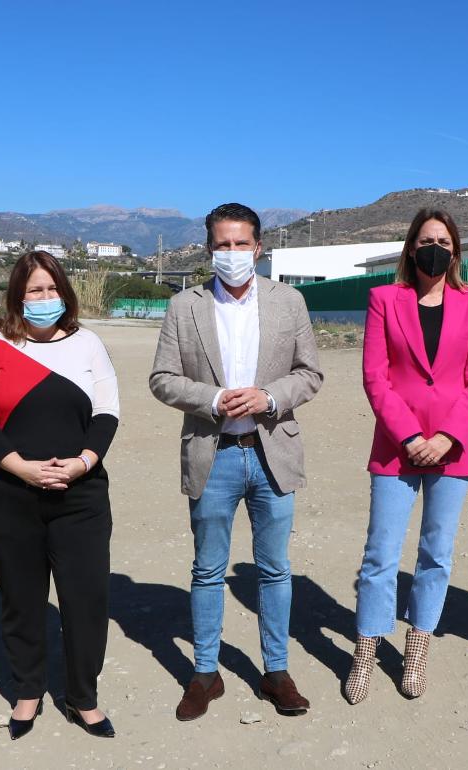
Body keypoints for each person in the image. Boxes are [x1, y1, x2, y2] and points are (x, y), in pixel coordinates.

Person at [149, 202, 323, 721]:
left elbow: (309, 373)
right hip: (214, 454)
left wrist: (268, 397)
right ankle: (206, 673)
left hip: (272, 452)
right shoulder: (185, 306)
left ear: (258, 248)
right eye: (222, 245)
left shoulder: (289, 301)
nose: (232, 253)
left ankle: (276, 672)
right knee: (207, 569)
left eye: (240, 243)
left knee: (274, 569)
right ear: (209, 250)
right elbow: (162, 378)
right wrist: (212, 398)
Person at [0, 251, 120, 740]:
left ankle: (83, 698)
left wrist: (83, 462)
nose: (45, 298)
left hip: (81, 495)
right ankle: (28, 691)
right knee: (21, 599)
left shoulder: (88, 343)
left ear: (64, 293)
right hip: (7, 494)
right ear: (17, 296)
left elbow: (107, 412)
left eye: (52, 289)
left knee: (86, 600)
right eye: (35, 290)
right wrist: (21, 469)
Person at [343, 209, 468, 705]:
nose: (436, 249)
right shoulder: (384, 299)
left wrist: (448, 435)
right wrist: (409, 435)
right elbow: (375, 377)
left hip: (454, 448)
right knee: (380, 554)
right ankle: (366, 650)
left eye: (444, 242)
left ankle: (417, 648)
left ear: (456, 250)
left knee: (436, 554)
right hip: (397, 446)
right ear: (411, 248)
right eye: (427, 240)